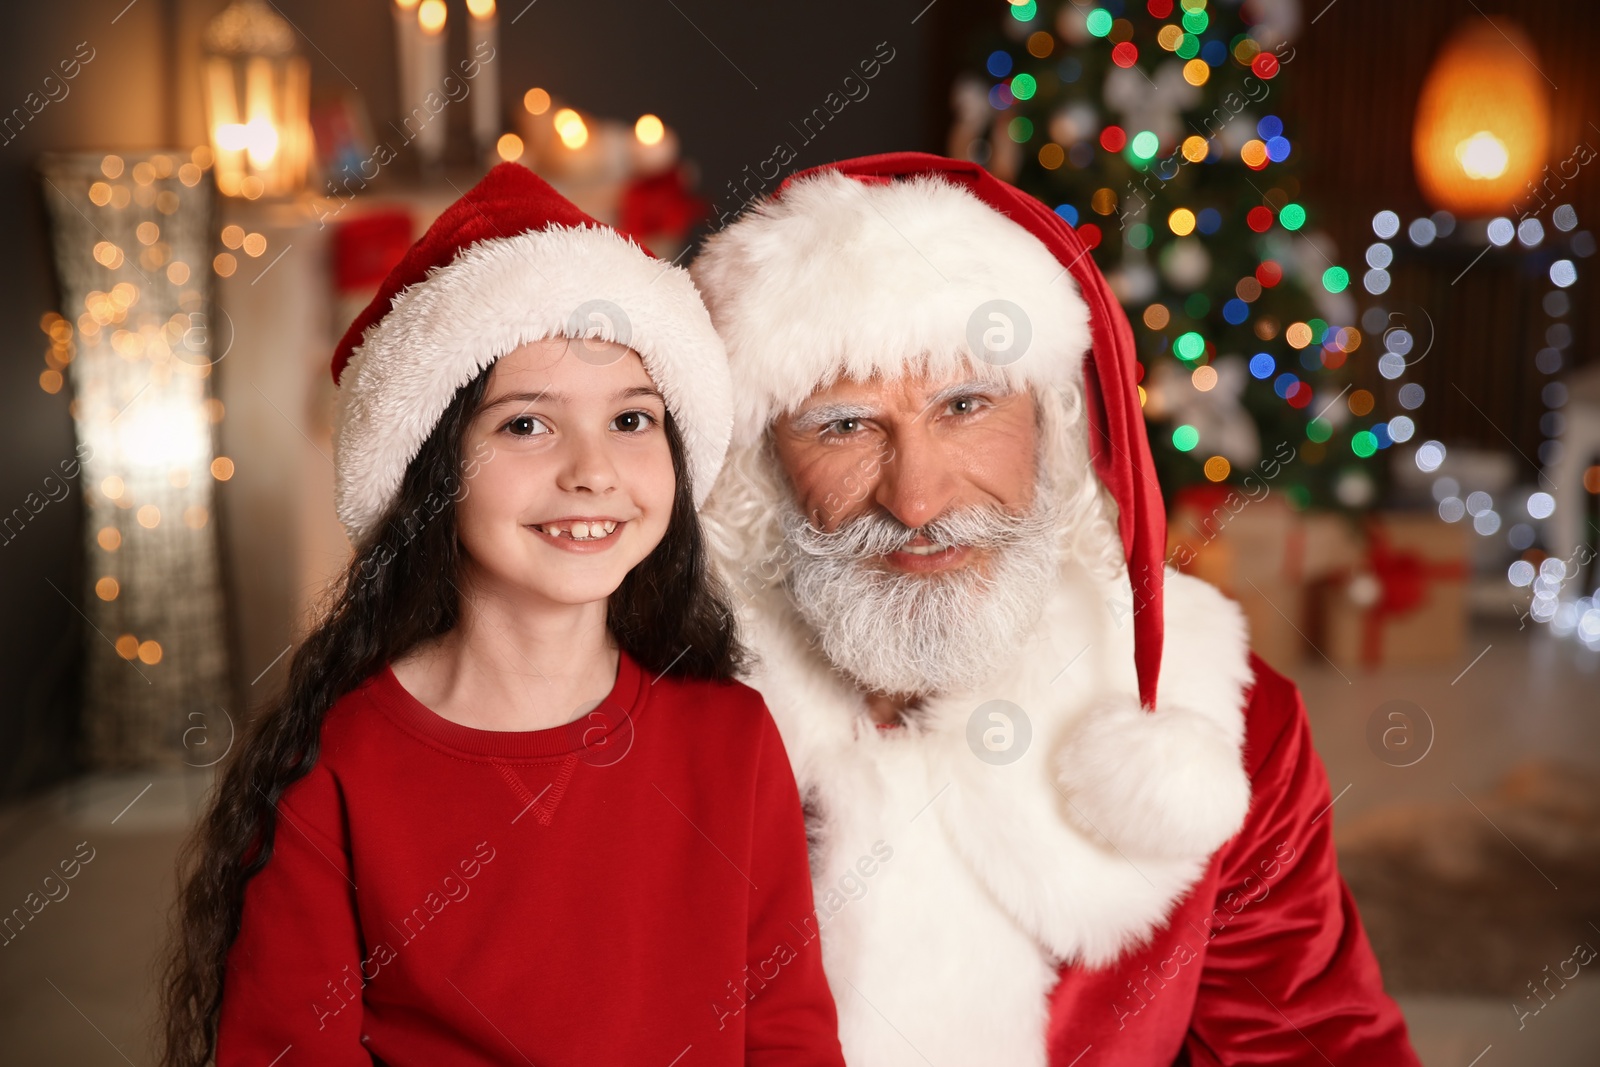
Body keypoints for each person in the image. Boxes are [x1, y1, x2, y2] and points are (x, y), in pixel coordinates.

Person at [691, 152, 1421, 1066]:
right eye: (843, 424)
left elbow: (1316, 1048)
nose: (916, 499)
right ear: (762, 467)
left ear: (1056, 424)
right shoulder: (658, 731)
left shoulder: (1223, 719)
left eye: (966, 404)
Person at [161, 163, 845, 1067]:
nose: (592, 470)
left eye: (632, 420)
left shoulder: (734, 741)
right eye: (527, 424)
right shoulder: (335, 773)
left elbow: (789, 1037)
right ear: (433, 471)